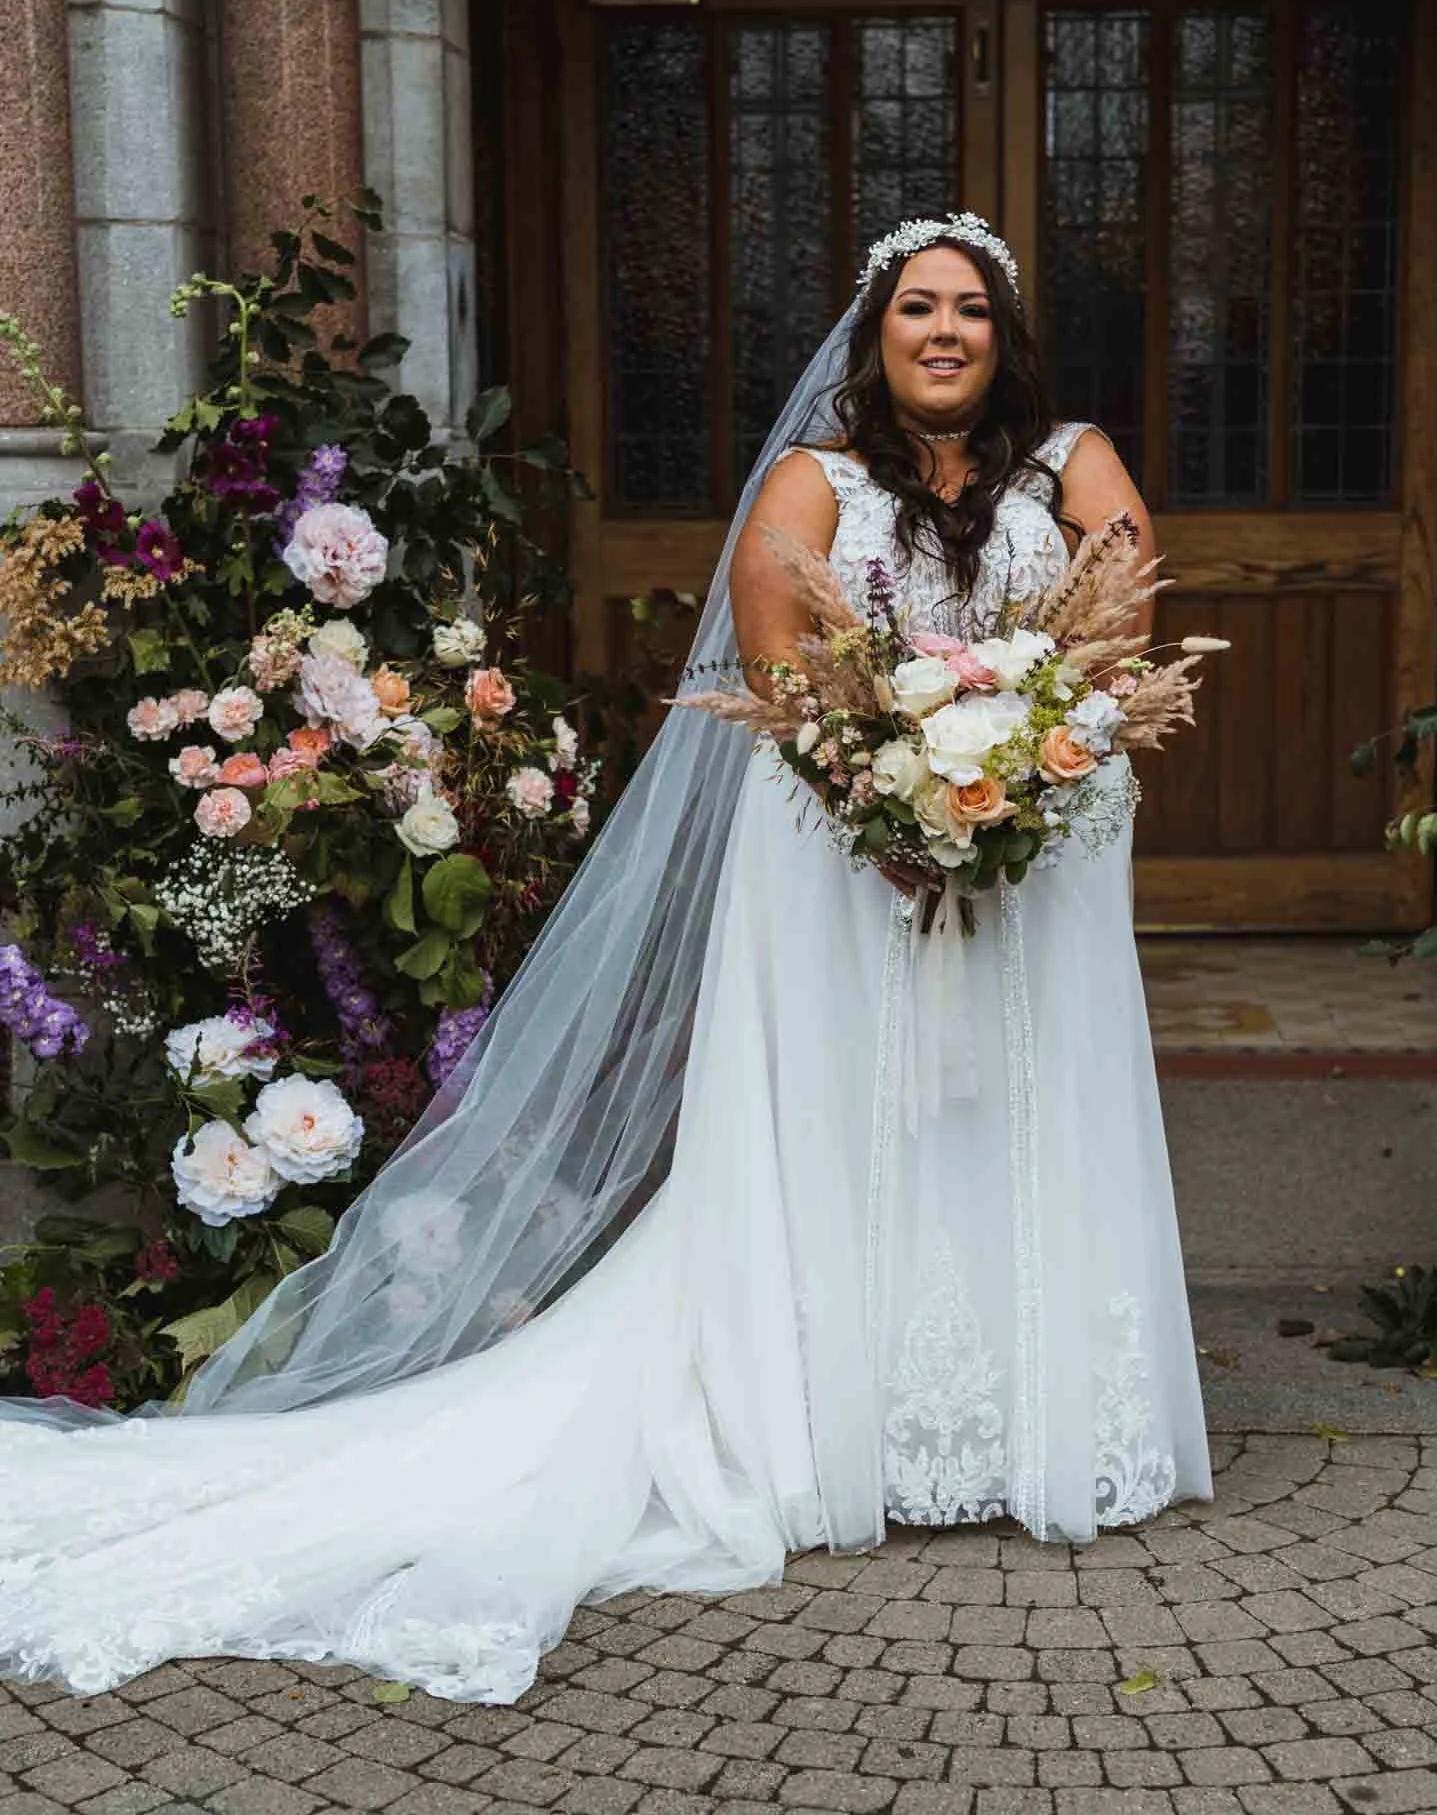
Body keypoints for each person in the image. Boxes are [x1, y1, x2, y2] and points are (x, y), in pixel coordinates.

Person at [0, 213, 1212, 1704]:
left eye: (970, 309)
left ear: (1005, 334)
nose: (945, 331)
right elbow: (783, 677)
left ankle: (1042, 1420)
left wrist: (1017, 775)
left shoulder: (1074, 461)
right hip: (847, 865)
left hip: (1037, 871)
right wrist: (897, 801)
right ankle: (831, 1427)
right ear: (877, 333)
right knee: (851, 1123)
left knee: (1024, 1120)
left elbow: (1121, 637)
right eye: (918, 309)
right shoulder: (811, 480)